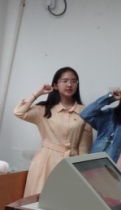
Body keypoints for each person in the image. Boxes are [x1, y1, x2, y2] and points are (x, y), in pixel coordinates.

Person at [13, 67, 93, 196]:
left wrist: (83, 169)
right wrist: (38, 93)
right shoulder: (44, 109)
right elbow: (19, 112)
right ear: (55, 85)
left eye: (73, 81)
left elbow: (85, 146)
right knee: (38, 201)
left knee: (65, 201)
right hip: (45, 162)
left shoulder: (84, 111)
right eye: (65, 81)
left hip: (71, 162)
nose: (69, 84)